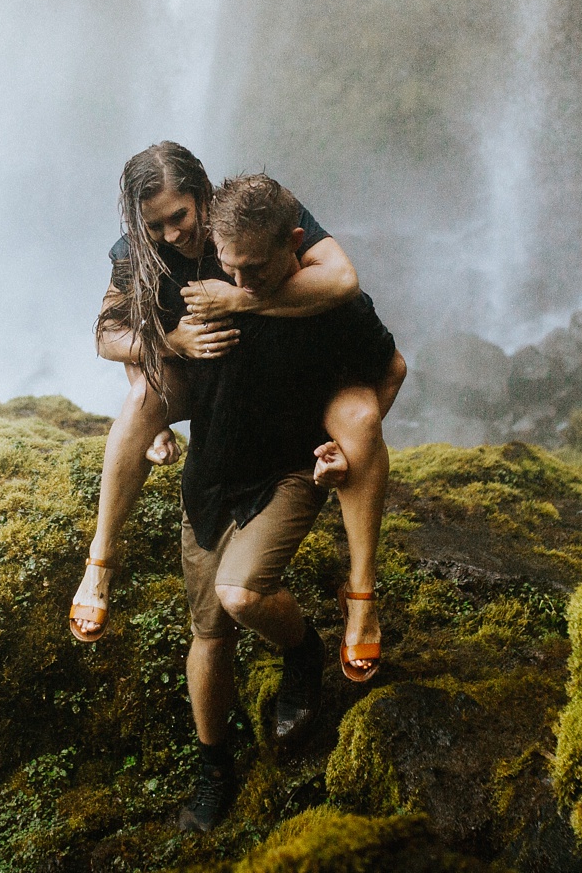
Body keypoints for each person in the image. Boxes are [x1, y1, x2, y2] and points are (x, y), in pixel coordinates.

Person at [68, 143, 406, 684]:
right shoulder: (137, 250)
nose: (173, 234)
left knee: (360, 421)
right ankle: (100, 561)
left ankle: (362, 594)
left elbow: (342, 281)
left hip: (286, 383)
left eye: (179, 216)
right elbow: (107, 335)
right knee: (140, 400)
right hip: (198, 375)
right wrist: (169, 341)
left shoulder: (255, 219)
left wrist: (238, 300)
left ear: (202, 194)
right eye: (156, 225)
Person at [173, 172, 401, 832]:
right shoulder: (200, 287)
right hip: (210, 481)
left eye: (256, 266)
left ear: (294, 242)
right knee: (207, 635)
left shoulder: (329, 306)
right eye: (230, 265)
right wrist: (165, 356)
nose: (240, 281)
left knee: (241, 595)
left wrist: (342, 447)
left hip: (285, 475)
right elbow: (122, 325)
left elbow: (391, 368)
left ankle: (302, 652)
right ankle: (214, 765)